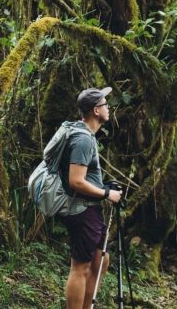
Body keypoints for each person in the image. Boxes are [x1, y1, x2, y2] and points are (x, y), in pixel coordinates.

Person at [59, 86, 122, 309]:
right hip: (81, 209)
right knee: (80, 266)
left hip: (89, 208)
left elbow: (85, 178)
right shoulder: (83, 140)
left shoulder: (86, 136)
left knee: (101, 259)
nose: (109, 108)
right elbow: (76, 180)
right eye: (106, 105)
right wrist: (106, 193)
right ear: (96, 110)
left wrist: (104, 186)